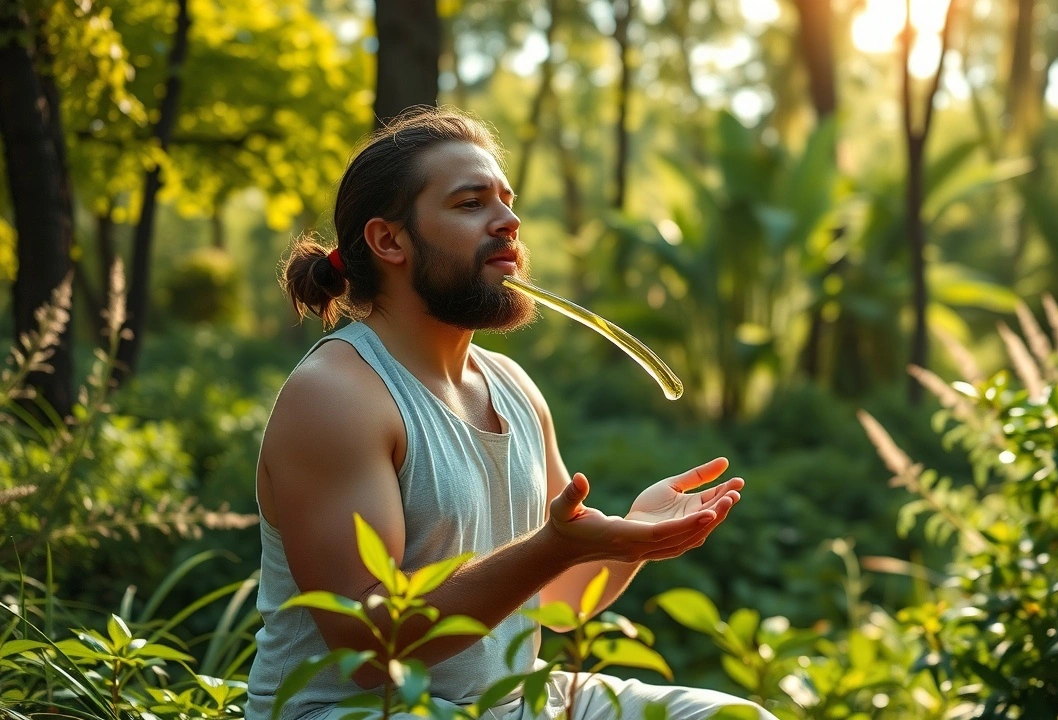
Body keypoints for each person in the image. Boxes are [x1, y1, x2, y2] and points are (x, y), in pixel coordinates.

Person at [245, 107, 774, 720]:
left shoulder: (513, 386)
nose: (509, 222)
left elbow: (562, 599)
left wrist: (629, 536)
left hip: (513, 704)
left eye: (507, 201)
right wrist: (552, 547)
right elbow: (372, 647)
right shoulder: (338, 394)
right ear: (389, 241)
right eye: (471, 204)